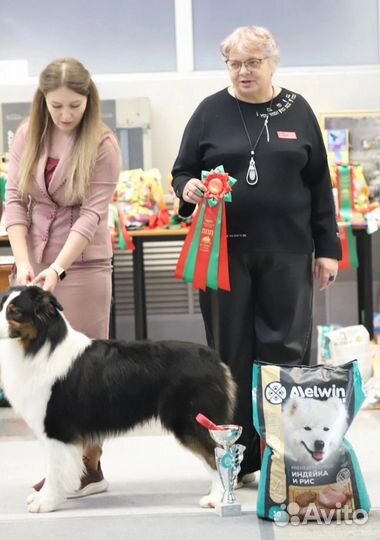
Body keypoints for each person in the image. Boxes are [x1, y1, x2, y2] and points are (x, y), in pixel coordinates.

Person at [171, 26, 341, 485]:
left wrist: (328, 248)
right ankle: (236, 458)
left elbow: (320, 184)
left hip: (288, 251)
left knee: (284, 352)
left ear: (272, 62)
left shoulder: (298, 109)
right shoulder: (209, 111)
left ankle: (284, 455)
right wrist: (186, 189)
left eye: (253, 62)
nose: (244, 71)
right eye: (234, 63)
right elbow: (183, 169)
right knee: (229, 354)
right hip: (224, 253)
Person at [6, 57, 121, 496]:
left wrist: (58, 267)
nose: (66, 115)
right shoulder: (26, 135)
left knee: (83, 375)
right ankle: (60, 464)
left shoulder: (104, 143)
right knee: (38, 373)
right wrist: (25, 263)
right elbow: (15, 202)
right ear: (43, 102)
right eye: (57, 107)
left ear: (89, 100)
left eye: (74, 105)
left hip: (83, 267)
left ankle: (90, 466)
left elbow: (92, 214)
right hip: (32, 264)